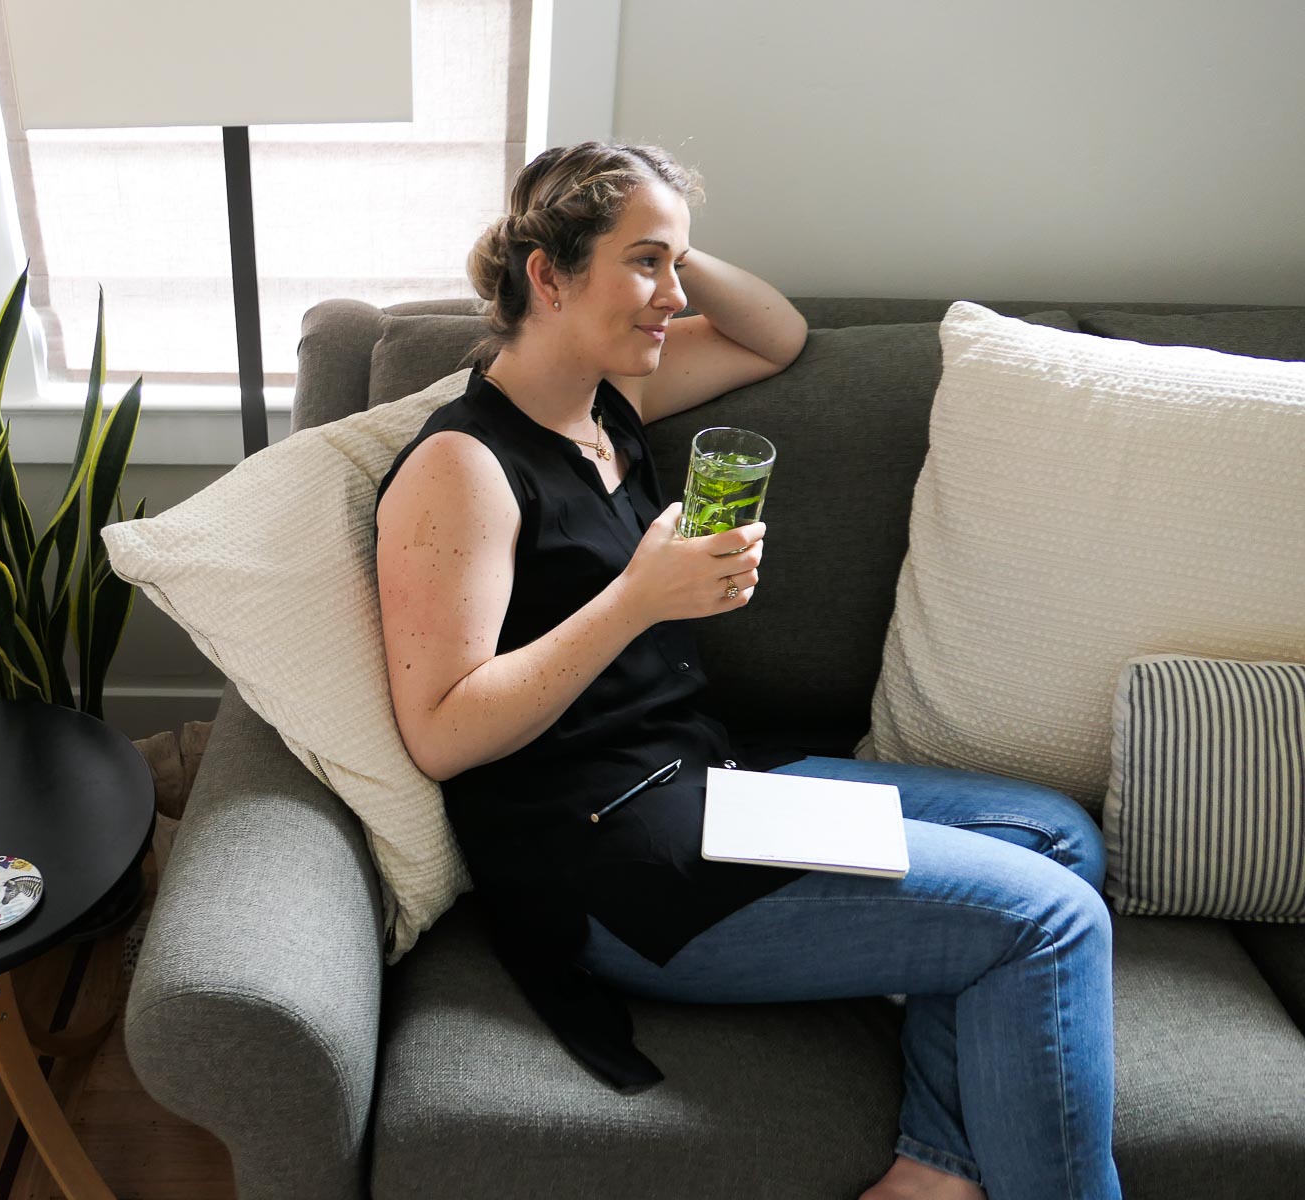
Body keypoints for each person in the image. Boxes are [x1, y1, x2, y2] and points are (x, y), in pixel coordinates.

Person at [371, 142, 1122, 1200]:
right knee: (1051, 919)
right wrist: (639, 597)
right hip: (611, 857)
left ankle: (937, 1167)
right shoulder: (463, 466)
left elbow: (779, 335)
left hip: (710, 790)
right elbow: (442, 730)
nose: (673, 298)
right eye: (645, 267)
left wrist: (653, 233)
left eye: (676, 268)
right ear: (548, 277)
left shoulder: (606, 402)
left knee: (1058, 838)